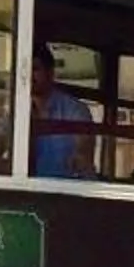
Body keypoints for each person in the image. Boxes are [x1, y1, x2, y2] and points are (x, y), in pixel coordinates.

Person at [30, 46, 93, 179]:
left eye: (35, 69)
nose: (29, 75)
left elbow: (83, 147)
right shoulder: (18, 110)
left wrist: (79, 156)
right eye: (25, 70)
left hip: (68, 191)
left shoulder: (75, 110)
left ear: (51, 72)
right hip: (31, 192)